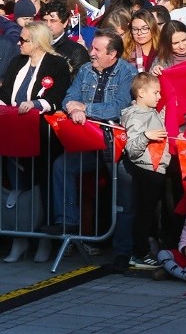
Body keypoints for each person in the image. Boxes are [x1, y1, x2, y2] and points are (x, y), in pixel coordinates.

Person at [46, 30, 136, 236]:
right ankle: (67, 222)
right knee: (61, 167)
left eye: (97, 49)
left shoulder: (127, 73)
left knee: (123, 196)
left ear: (112, 54)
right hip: (87, 140)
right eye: (91, 47)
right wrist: (73, 108)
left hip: (115, 145)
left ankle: (125, 246)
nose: (91, 52)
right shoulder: (86, 70)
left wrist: (85, 108)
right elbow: (69, 96)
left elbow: (118, 107)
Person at [0, 22, 72, 263]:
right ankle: (19, 238)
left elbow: (57, 96)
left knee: (42, 185)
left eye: (24, 40)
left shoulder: (57, 64)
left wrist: (36, 105)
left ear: (37, 42)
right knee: (16, 185)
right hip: (12, 131)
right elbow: (5, 94)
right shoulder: (17, 62)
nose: (19, 43)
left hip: (42, 134)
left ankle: (43, 238)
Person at [120, 72, 171, 269]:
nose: (159, 96)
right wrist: (146, 136)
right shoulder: (135, 116)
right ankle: (139, 254)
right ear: (141, 92)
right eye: (156, 93)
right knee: (144, 214)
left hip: (156, 169)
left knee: (151, 214)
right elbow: (132, 148)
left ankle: (145, 250)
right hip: (146, 169)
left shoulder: (151, 112)